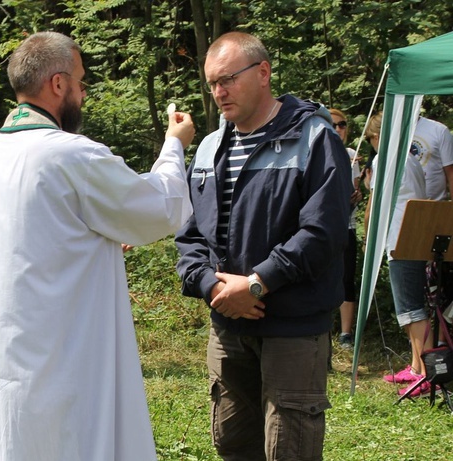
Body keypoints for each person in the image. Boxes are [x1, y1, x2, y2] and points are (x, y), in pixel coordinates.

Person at [0, 31, 195, 461]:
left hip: (7, 353)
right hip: (64, 354)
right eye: (81, 81)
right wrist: (173, 145)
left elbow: (37, 241)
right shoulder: (70, 155)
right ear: (58, 84)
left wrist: (97, 243)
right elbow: (160, 206)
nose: (83, 93)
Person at [175, 32, 352, 460]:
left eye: (228, 79)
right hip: (228, 326)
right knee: (234, 443)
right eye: (212, 83)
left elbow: (323, 233)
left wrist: (256, 284)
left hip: (292, 326)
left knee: (289, 447)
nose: (219, 92)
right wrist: (211, 287)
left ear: (264, 72)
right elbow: (191, 234)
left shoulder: (313, 138)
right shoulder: (210, 148)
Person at [363, 113, 432, 397]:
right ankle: (417, 367)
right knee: (414, 303)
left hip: (399, 236)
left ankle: (427, 374)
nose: (372, 145)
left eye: (371, 139)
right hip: (417, 232)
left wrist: (370, 238)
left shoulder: (385, 160)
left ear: (379, 137)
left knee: (410, 309)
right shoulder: (411, 157)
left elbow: (376, 204)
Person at [329, 108, 363, 350]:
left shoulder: (353, 155)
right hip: (322, 229)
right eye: (333, 125)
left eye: (342, 125)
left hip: (347, 226)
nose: (338, 129)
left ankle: (346, 333)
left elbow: (356, 193)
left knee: (346, 277)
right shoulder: (316, 151)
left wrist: (356, 195)